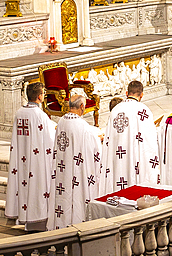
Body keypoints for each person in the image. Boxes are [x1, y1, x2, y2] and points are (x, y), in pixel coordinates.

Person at [47, 93, 104, 229]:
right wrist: (99, 139)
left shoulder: (61, 122)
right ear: (82, 107)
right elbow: (93, 148)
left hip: (63, 168)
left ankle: (61, 225)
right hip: (76, 172)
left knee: (64, 199)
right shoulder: (82, 126)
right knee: (76, 198)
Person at [6, 82, 57, 231]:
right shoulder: (39, 115)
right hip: (37, 160)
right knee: (37, 187)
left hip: (21, 157)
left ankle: (26, 218)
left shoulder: (19, 112)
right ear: (40, 97)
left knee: (24, 186)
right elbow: (50, 138)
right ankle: (37, 220)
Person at [102, 81, 160, 193]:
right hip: (136, 158)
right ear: (141, 94)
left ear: (126, 92)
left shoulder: (116, 110)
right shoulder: (144, 111)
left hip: (119, 158)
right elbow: (150, 143)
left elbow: (109, 138)